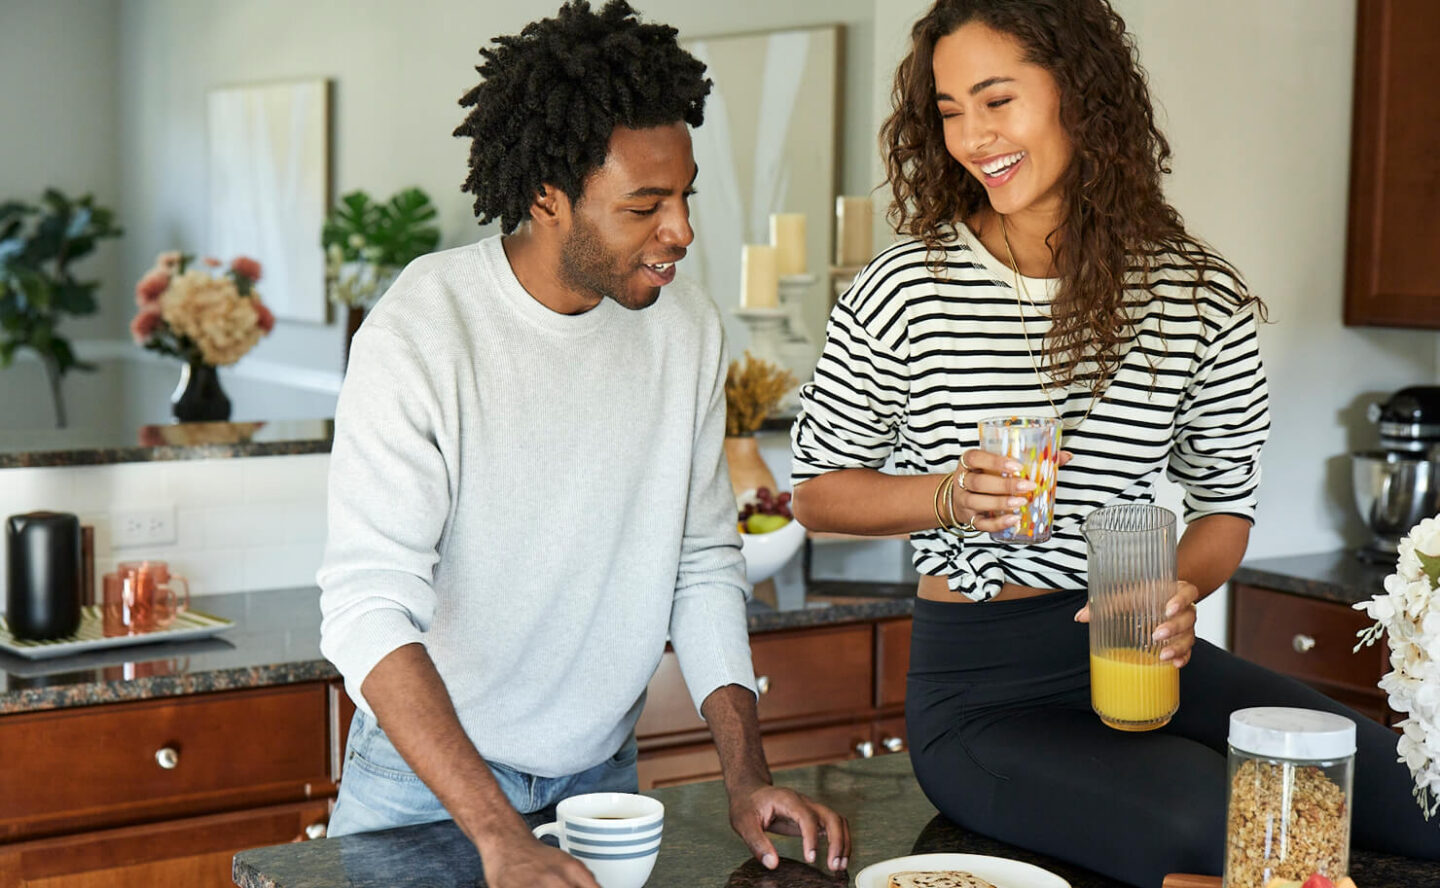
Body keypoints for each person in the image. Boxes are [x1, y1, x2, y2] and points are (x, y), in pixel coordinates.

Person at [789, 0, 1439, 885]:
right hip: (983, 691)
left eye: (997, 100)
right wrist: (946, 495)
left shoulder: (1196, 296)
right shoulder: (903, 290)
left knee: (1414, 793)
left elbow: (1224, 508)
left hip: (1138, 653)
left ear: (1080, 94)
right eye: (949, 111)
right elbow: (817, 493)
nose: (973, 137)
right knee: (1217, 819)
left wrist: (1181, 589)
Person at [316, 3, 849, 886]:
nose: (681, 232)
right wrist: (500, 835)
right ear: (547, 197)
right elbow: (367, 607)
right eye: (645, 206)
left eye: (685, 196)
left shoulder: (684, 329)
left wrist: (746, 774)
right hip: (427, 788)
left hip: (600, 787)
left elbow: (702, 561)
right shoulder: (425, 328)